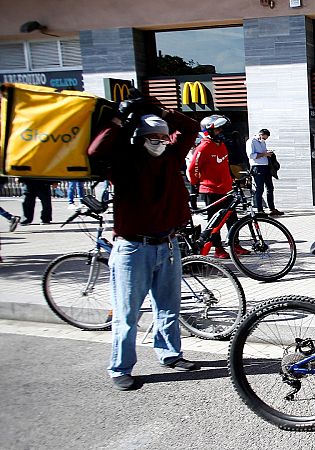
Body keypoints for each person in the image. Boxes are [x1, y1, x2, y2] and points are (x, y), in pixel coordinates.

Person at [90, 106, 202, 391]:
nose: (158, 141)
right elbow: (96, 152)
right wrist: (119, 120)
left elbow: (190, 128)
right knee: (127, 313)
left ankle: (170, 354)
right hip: (133, 248)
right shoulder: (124, 161)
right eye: (151, 136)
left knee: (168, 307)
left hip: (167, 244)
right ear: (138, 137)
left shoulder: (171, 157)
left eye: (163, 137)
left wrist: (165, 113)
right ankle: (120, 367)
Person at [189, 115, 249, 259]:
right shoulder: (203, 147)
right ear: (209, 131)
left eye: (221, 129)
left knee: (232, 219)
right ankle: (218, 249)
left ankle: (235, 245)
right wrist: (197, 185)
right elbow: (193, 169)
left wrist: (232, 178)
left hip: (226, 189)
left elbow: (224, 164)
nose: (220, 131)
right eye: (217, 129)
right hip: (211, 190)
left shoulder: (221, 144)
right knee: (214, 222)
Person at [247, 128, 283, 216]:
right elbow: (251, 155)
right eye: (264, 137)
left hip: (266, 167)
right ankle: (260, 210)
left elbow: (263, 152)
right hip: (257, 167)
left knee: (270, 188)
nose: (264, 140)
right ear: (260, 134)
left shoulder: (263, 142)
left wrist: (268, 153)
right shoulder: (251, 141)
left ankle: (272, 208)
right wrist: (264, 154)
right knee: (260, 189)